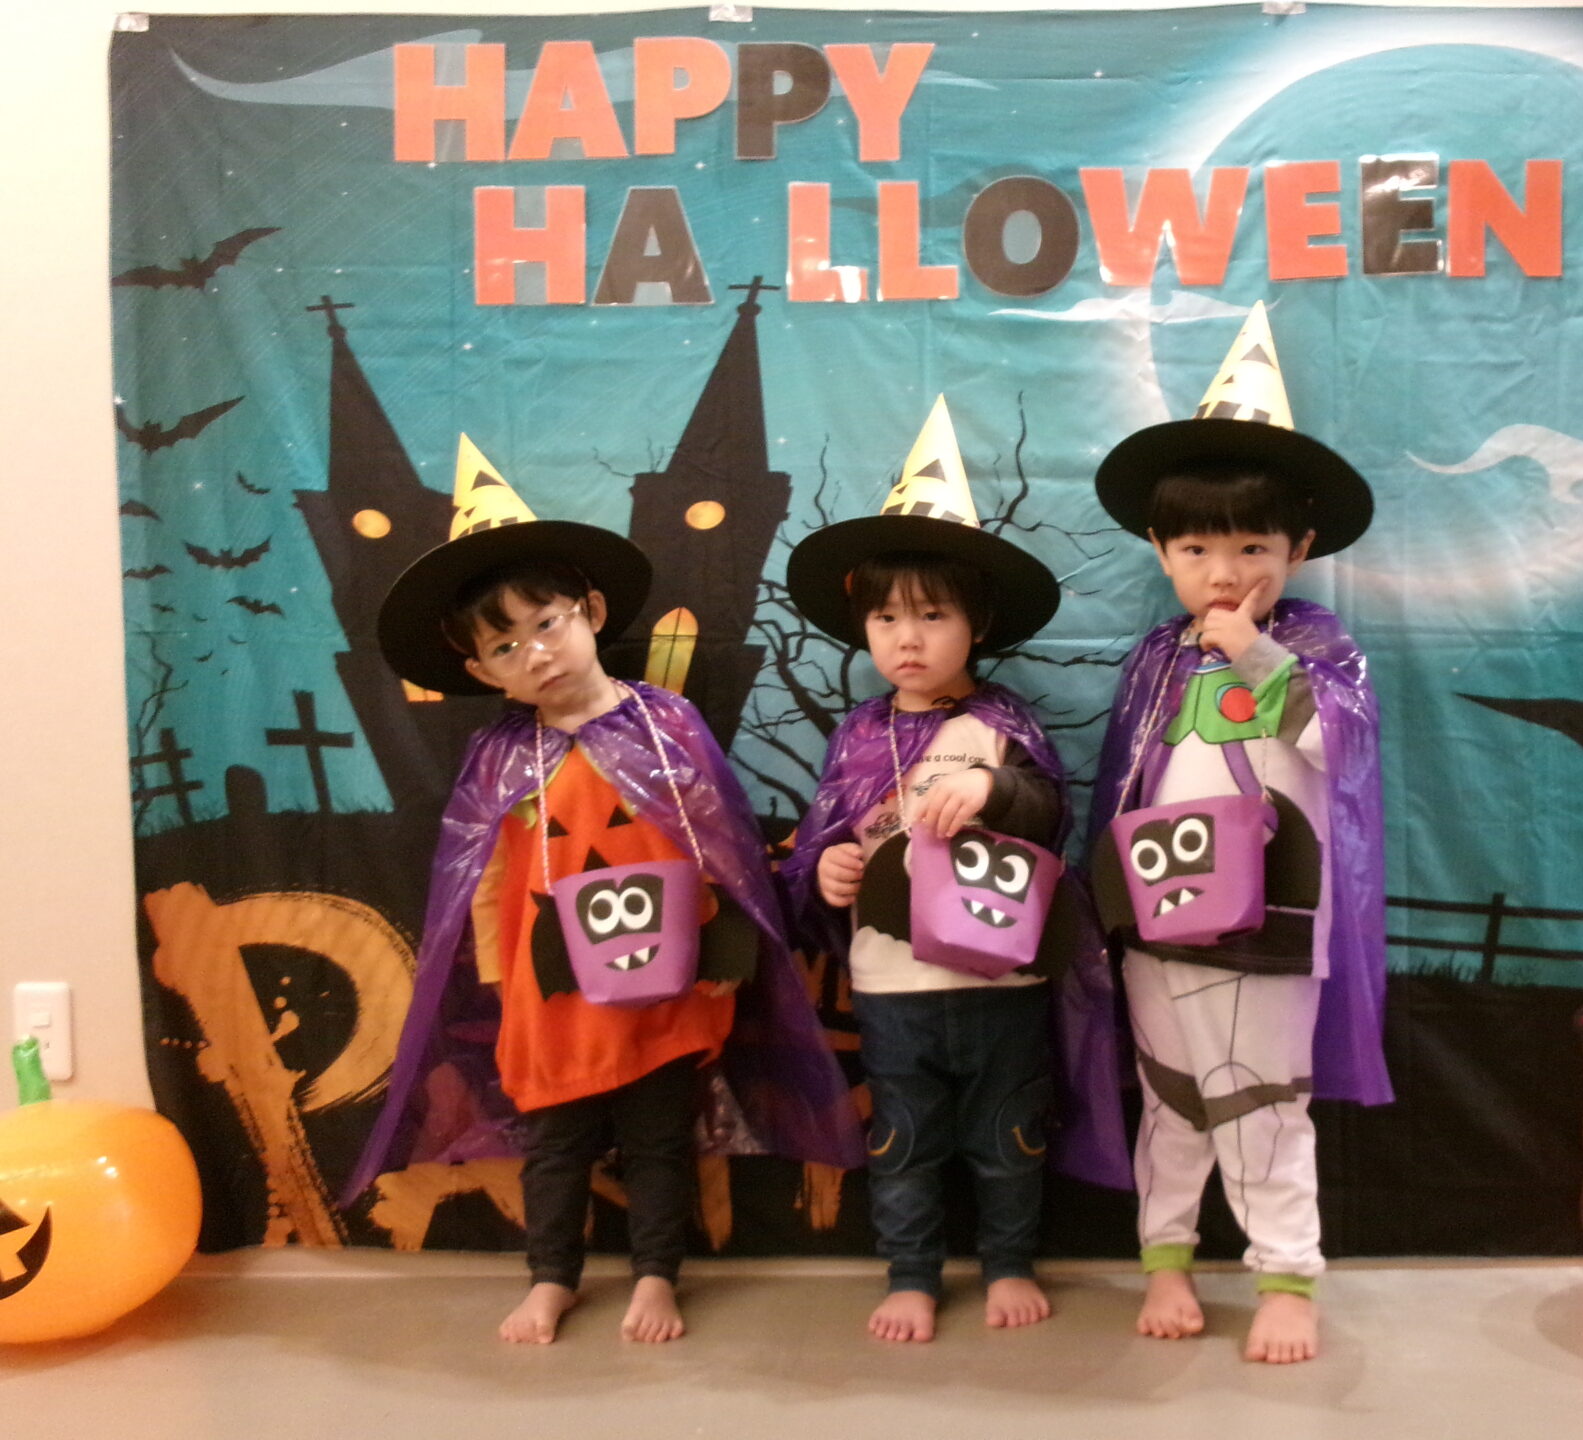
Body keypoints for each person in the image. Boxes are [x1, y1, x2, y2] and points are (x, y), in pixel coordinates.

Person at [346, 436, 860, 1345]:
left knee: (661, 1141)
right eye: (506, 646)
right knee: (555, 1145)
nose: (536, 653)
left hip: (662, 982)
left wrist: (724, 959)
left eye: (547, 624)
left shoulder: (665, 726)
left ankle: (656, 1276)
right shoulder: (501, 758)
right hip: (552, 996)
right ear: (481, 672)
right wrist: (504, 985)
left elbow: (721, 850)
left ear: (589, 612)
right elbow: (484, 880)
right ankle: (552, 1279)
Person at [783, 397, 1127, 1343]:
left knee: (1010, 1132)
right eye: (887, 617)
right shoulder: (858, 736)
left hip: (1001, 980)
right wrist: (829, 871)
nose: (908, 638)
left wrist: (991, 786)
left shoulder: (1003, 723)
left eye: (933, 616)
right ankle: (912, 1275)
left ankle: (1010, 1262)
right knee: (903, 1137)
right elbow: (820, 838)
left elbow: (1050, 815)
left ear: (976, 623)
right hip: (892, 987)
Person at [1088, 304, 1392, 1364]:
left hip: (1272, 914)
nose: (1224, 570)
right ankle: (1165, 1259)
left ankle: (1286, 1275)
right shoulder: (1155, 660)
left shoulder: (1319, 648)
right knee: (1170, 1095)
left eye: (1252, 546)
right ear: (1161, 551)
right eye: (1197, 547)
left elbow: (1340, 750)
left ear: (1298, 548)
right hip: (1158, 911)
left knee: (1263, 1098)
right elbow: (1123, 784)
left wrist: (1259, 658)